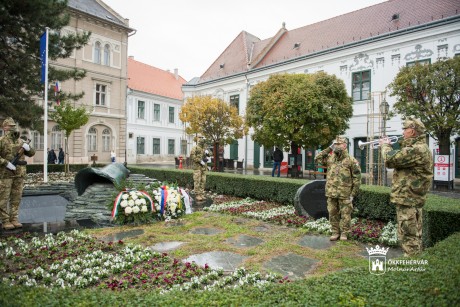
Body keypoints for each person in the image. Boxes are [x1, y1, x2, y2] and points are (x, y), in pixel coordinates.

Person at [380, 117, 433, 256]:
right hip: (410, 196)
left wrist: (385, 145)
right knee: (412, 232)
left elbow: (390, 160)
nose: (403, 131)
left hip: (409, 197)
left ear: (413, 131)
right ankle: (413, 260)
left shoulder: (417, 149)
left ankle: (410, 264)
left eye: (405, 129)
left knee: (409, 234)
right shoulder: (417, 147)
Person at [315, 136, 361, 241]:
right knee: (332, 212)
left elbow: (357, 179)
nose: (336, 146)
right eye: (335, 144)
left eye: (338, 144)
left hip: (345, 193)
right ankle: (335, 232)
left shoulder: (351, 160)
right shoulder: (331, 158)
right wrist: (329, 148)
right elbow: (317, 158)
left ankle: (345, 233)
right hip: (331, 192)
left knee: (345, 214)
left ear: (344, 145)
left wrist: (353, 194)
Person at [0, 117, 36, 230]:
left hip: (19, 174)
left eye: (13, 126)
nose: (12, 128)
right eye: (9, 126)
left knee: (16, 198)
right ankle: (5, 220)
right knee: (3, 198)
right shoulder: (1, 141)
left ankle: (14, 218)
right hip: (6, 174)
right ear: (4, 128)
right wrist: (5, 163)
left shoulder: (21, 141)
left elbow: (31, 153)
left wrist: (28, 147)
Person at [190, 136, 209, 201]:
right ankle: (197, 194)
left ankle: (201, 193)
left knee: (203, 180)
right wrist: (200, 161)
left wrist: (208, 152)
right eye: (201, 139)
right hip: (197, 167)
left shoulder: (204, 148)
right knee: (197, 180)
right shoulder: (195, 148)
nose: (202, 140)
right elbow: (192, 156)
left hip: (203, 167)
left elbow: (210, 154)